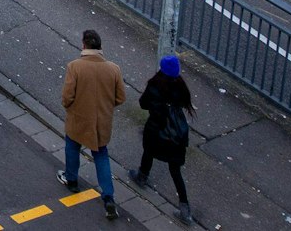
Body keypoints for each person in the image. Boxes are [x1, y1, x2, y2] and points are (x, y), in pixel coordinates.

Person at [60, 29, 125, 220]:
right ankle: (108, 197)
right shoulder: (113, 69)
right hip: (101, 122)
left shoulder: (75, 67)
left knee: (72, 146)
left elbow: (67, 97)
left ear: (84, 45)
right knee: (101, 155)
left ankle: (71, 179)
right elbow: (120, 97)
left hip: (79, 118)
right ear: (100, 47)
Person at [131, 55, 196, 224]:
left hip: (157, 129)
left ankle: (142, 176)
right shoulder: (181, 86)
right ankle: (185, 209)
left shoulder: (155, 85)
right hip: (176, 135)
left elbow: (143, 103)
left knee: (149, 151)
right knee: (175, 170)